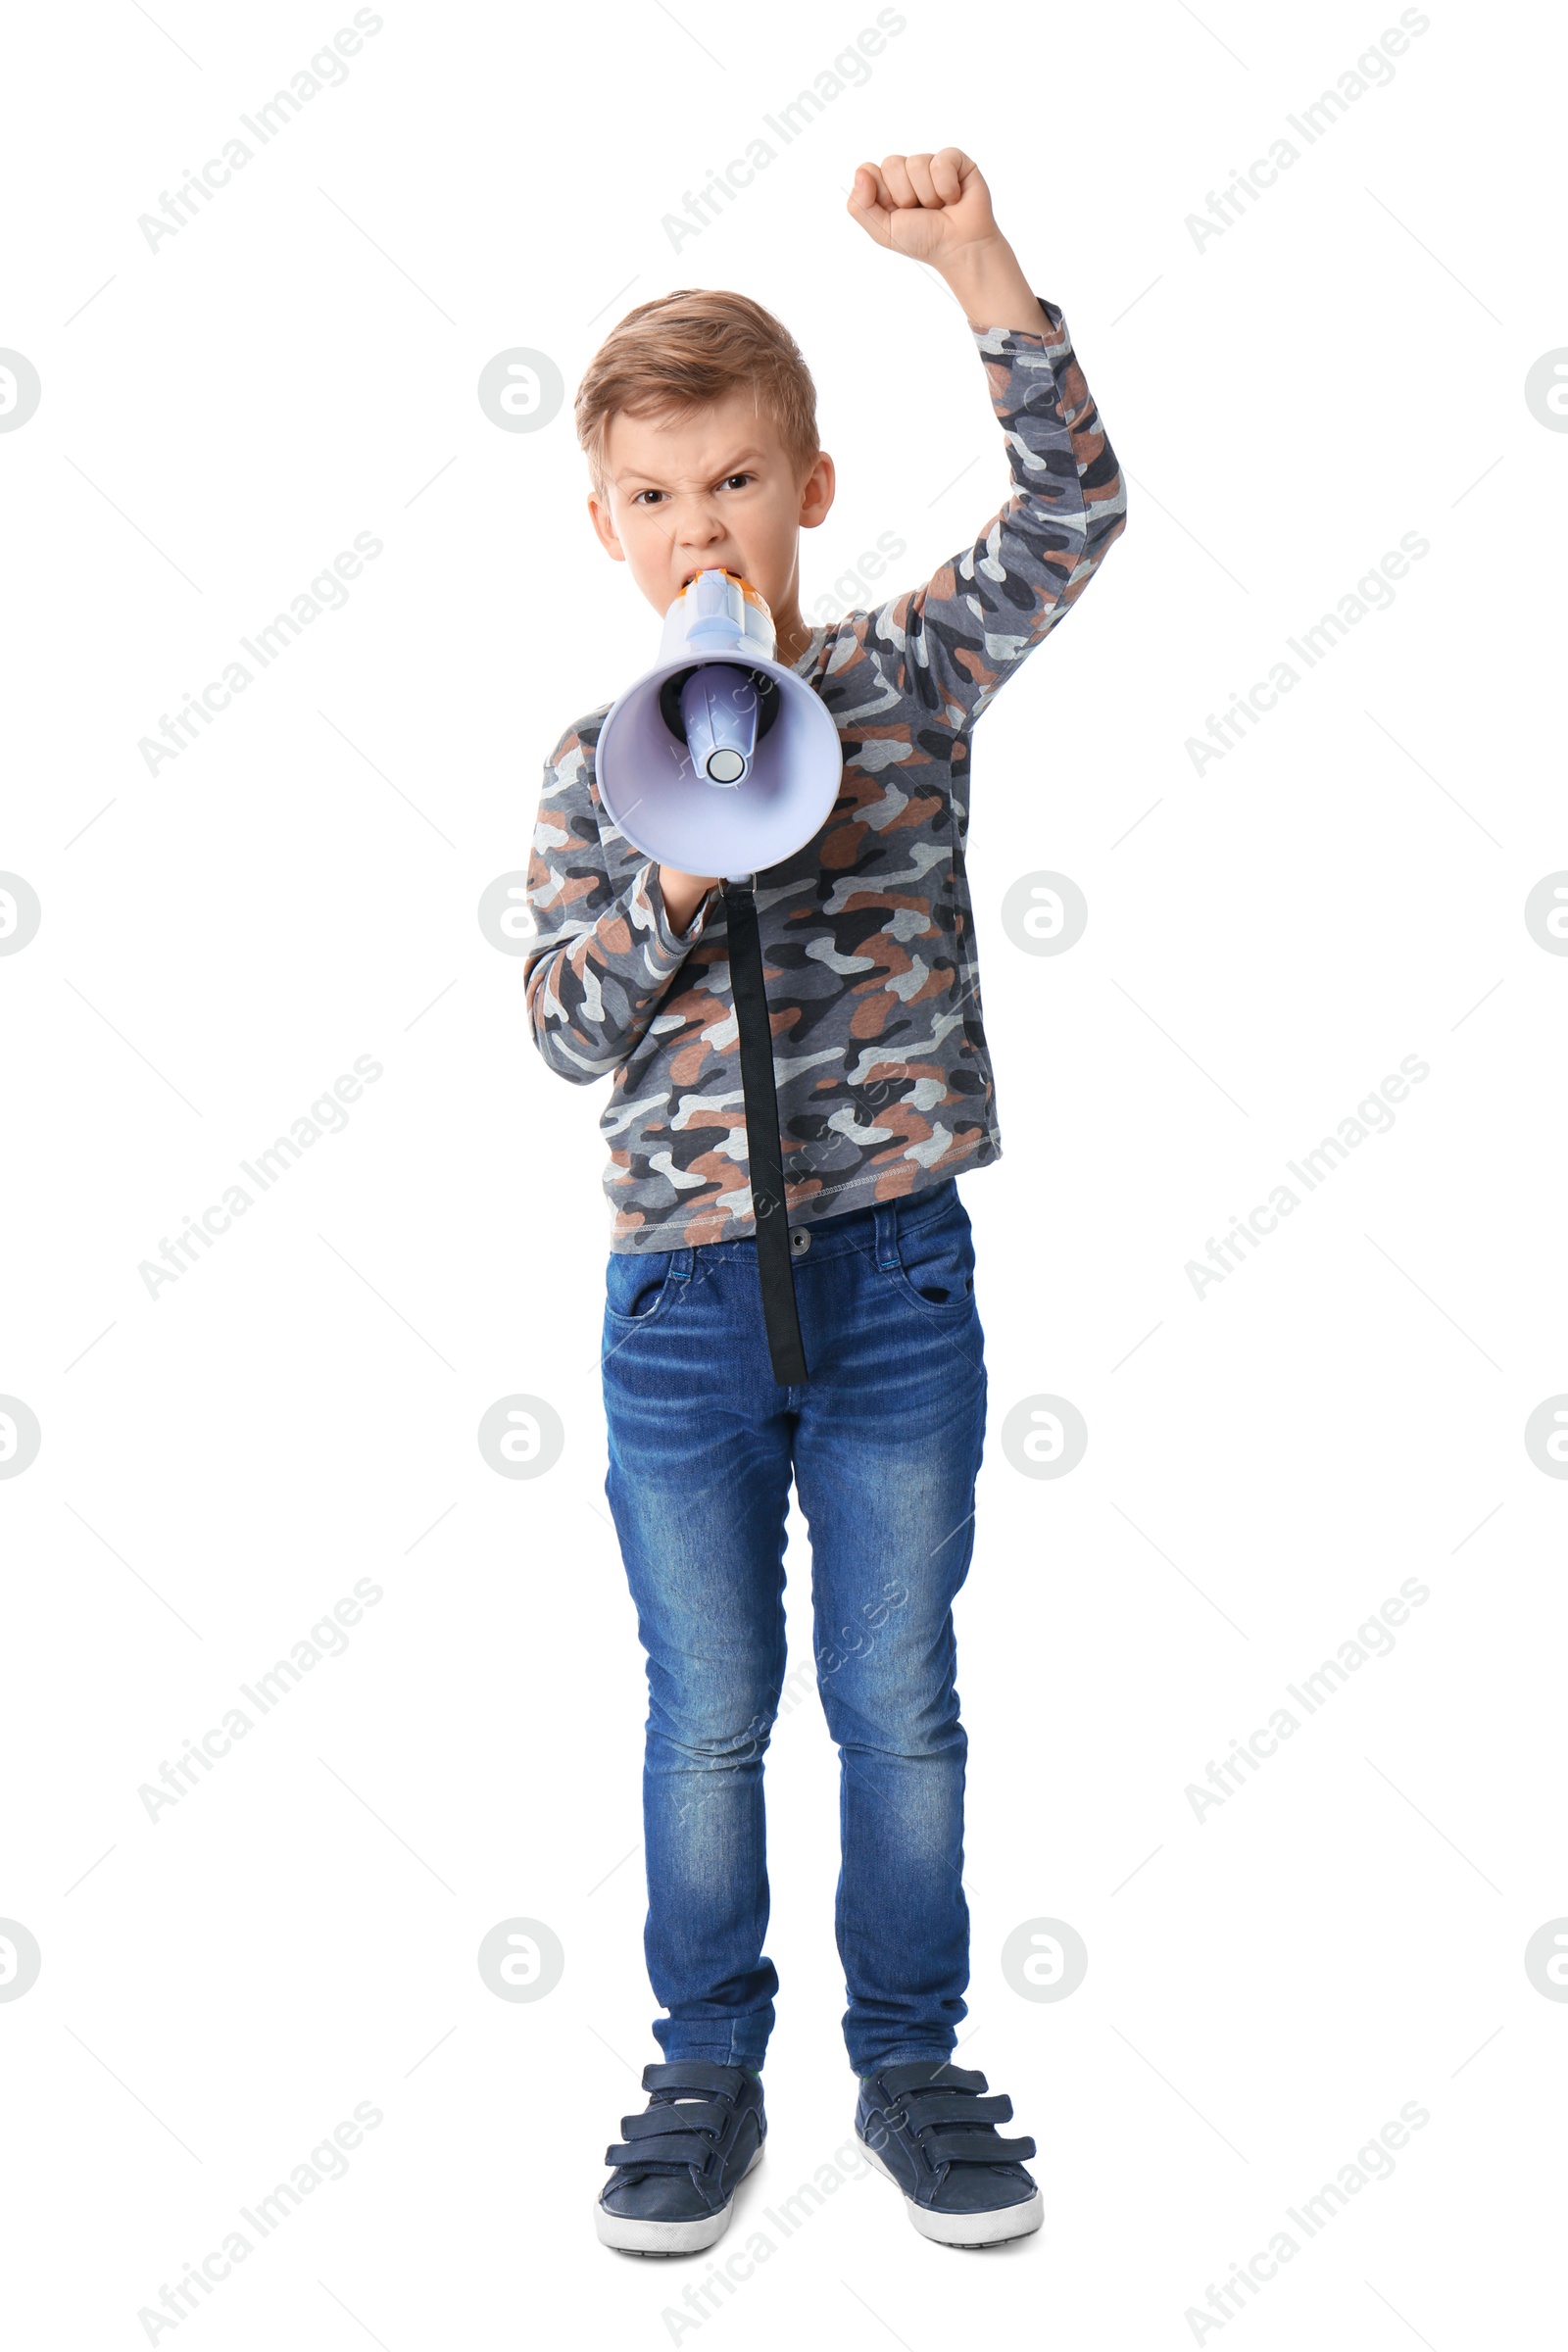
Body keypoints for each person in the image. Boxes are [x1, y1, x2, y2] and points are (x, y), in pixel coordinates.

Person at [522, 147, 1127, 2254]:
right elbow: (565, 1028)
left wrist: (976, 267)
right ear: (609, 531)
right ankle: (702, 2073)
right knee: (706, 1714)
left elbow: (1073, 520)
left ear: (805, 489)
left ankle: (911, 2063)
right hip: (681, 1310)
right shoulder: (589, 769)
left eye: (737, 486)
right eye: (658, 497)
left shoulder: (896, 678)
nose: (703, 529)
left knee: (896, 1695)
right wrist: (677, 854)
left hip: (890, 1283)